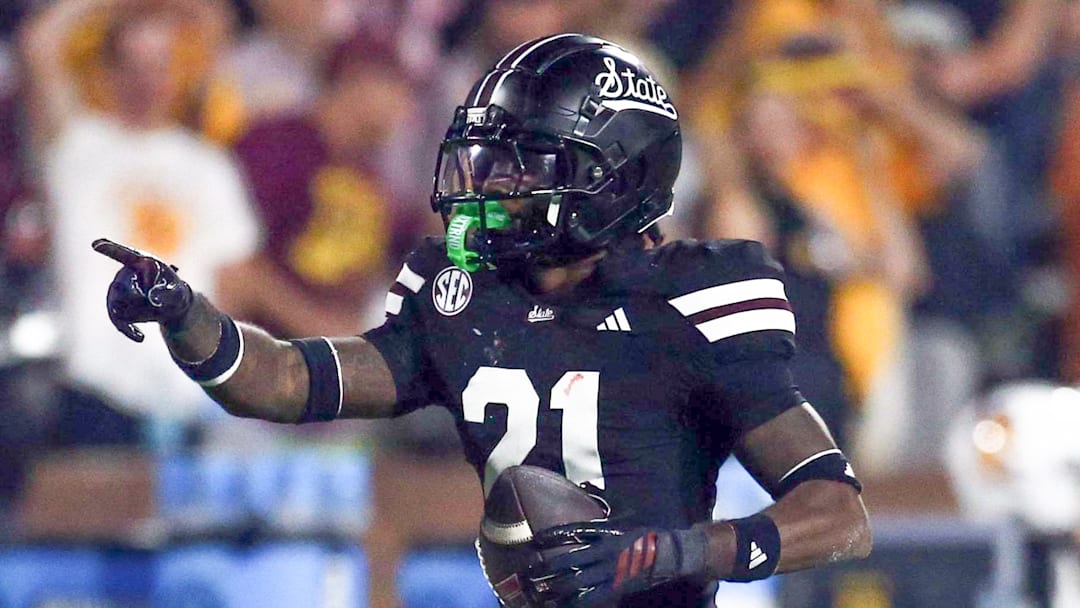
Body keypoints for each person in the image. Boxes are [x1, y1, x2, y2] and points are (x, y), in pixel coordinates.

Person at [93, 34, 871, 607]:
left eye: (527, 165)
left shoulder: (695, 295)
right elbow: (283, 381)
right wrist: (184, 315)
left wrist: (670, 553)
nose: (492, 185)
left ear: (612, 179)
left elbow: (837, 515)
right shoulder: (462, 292)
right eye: (488, 160)